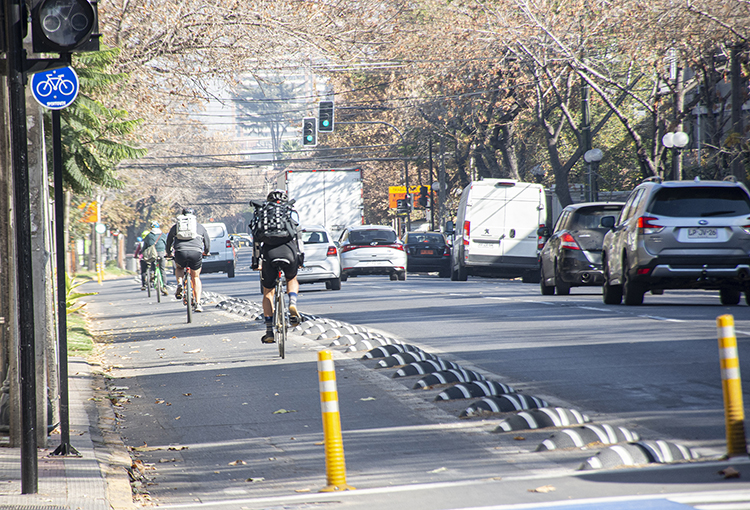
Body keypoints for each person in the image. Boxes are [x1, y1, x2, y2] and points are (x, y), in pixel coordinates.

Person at [250, 189, 304, 344]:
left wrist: (255, 262)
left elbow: (256, 240)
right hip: (288, 251)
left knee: (268, 291)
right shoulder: (290, 212)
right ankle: (292, 303)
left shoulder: (262, 213)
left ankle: (269, 331)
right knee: (292, 278)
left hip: (269, 253)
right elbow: (298, 237)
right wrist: (300, 259)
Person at [166, 208, 210, 312]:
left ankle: (180, 283)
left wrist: (168, 253)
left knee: (179, 267)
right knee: (195, 277)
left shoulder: (176, 227)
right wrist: (206, 252)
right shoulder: (200, 227)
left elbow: (168, 241)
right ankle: (198, 303)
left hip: (180, 252)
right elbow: (207, 242)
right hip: (196, 253)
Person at [141, 221, 169, 295]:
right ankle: (165, 286)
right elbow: (167, 244)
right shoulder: (162, 235)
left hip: (152, 254)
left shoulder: (148, 236)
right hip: (161, 253)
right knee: (162, 269)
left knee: (152, 266)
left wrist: (144, 255)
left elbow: (144, 247)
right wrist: (168, 253)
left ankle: (152, 274)